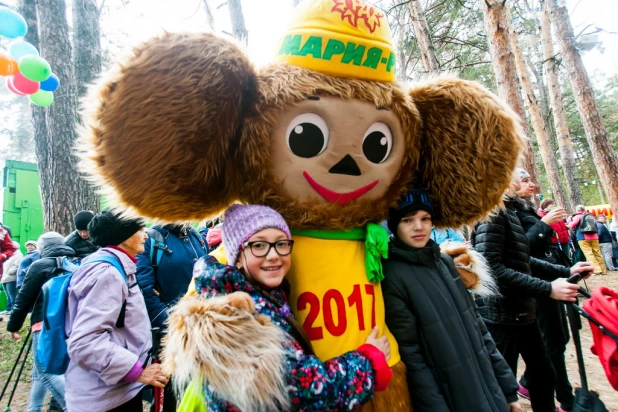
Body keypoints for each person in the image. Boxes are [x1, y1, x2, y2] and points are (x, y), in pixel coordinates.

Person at [163, 204, 393, 411]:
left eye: (281, 243)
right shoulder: (231, 315)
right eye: (259, 245)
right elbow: (300, 392)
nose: (273, 255)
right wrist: (369, 362)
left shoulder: (259, 295)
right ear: (238, 257)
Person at [381, 189, 520, 412]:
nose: (419, 227)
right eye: (408, 220)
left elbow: (479, 327)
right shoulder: (393, 276)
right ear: (395, 225)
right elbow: (412, 357)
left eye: (425, 218)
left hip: (487, 388)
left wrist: (507, 388)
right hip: (452, 397)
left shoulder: (445, 262)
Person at [472, 176, 594, 412]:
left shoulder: (508, 211)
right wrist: (548, 289)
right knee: (501, 388)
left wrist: (566, 270)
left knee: (543, 376)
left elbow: (521, 259)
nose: (527, 181)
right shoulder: (492, 213)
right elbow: (492, 268)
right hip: (502, 317)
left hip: (522, 312)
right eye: (521, 176)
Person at [65, 211, 168, 412]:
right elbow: (85, 342)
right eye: (140, 229)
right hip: (106, 397)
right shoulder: (108, 274)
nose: (146, 235)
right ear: (123, 235)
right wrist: (137, 371)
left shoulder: (114, 266)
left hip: (114, 389)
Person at [509, 169, 574, 412]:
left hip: (551, 280)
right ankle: (567, 400)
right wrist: (544, 224)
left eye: (531, 180)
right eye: (525, 181)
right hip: (535, 286)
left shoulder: (526, 209)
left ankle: (526, 383)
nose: (532, 185)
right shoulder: (507, 213)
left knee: (560, 338)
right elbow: (520, 250)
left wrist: (566, 270)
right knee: (552, 344)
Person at [136, 223, 208, 411]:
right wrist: (173, 323)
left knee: (198, 389)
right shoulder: (152, 239)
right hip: (169, 333)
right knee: (167, 394)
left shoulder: (195, 236)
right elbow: (144, 290)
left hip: (201, 329)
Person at [8, 232, 75, 411]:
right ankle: (34, 408)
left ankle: (76, 407)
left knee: (46, 372)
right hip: (70, 325)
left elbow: (23, 300)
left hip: (44, 324)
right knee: (39, 373)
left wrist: (13, 326)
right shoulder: (75, 263)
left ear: (43, 248)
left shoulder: (39, 265)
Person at [567, 205, 606, 275]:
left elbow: (571, 225)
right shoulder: (591, 216)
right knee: (598, 253)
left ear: (577, 210)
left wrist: (569, 219)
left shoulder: (578, 216)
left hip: (583, 237)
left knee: (589, 254)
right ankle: (603, 270)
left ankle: (597, 270)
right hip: (594, 237)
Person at [1, 242, 22, 314]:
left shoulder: (18, 255)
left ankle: (14, 309)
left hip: (12, 277)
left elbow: (17, 266)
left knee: (12, 294)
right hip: (5, 277)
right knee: (7, 294)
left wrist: (11, 271)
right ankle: (8, 308)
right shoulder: (9, 255)